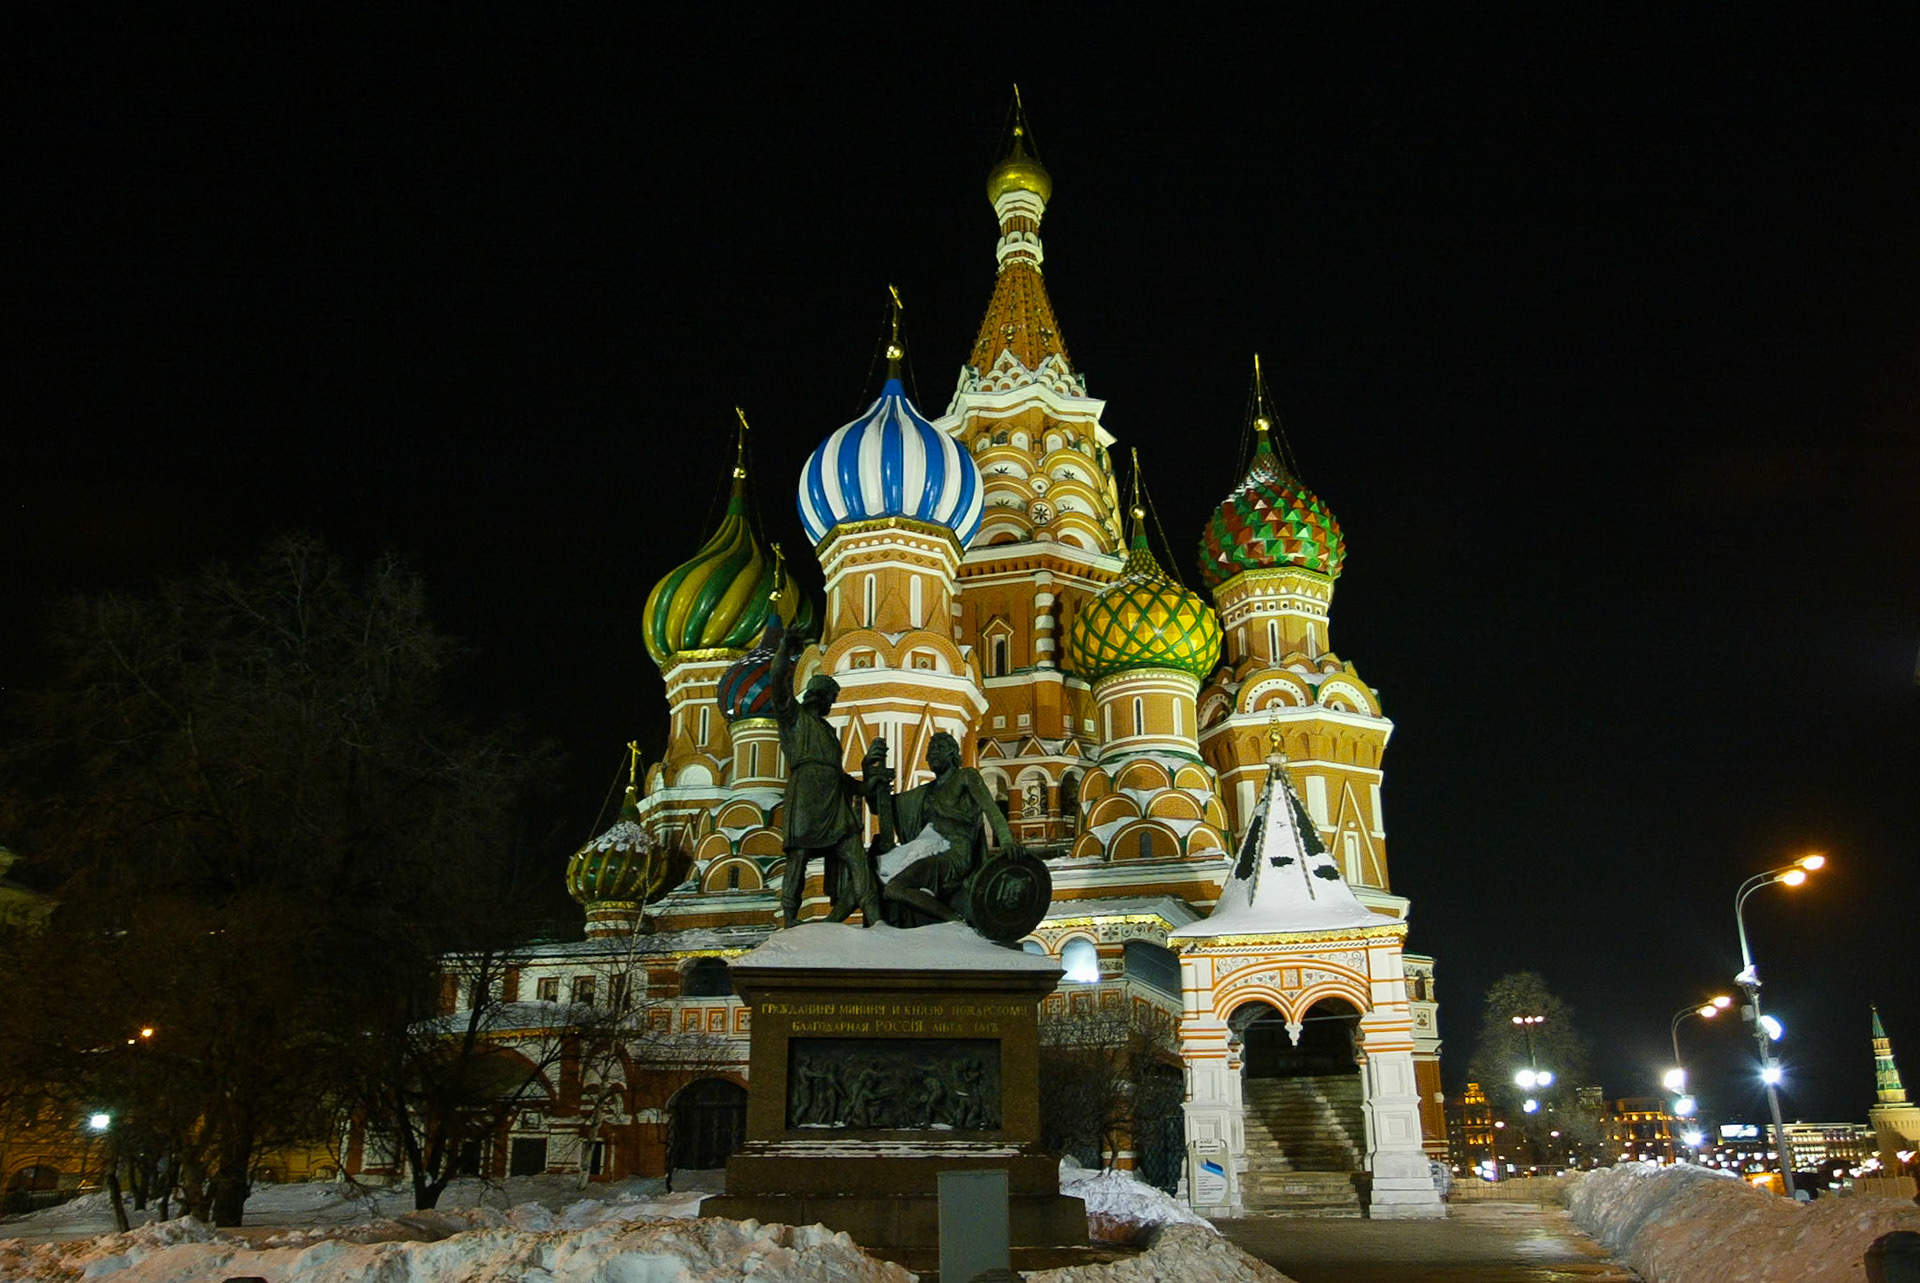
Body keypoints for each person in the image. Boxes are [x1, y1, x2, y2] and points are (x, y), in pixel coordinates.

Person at [768, 630, 882, 928]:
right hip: (806, 794)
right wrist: (783, 649)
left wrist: (865, 786)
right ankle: (790, 919)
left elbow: (839, 776)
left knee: (856, 854)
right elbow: (777, 684)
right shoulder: (793, 717)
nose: (832, 704)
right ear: (820, 695)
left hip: (833, 798)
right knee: (799, 858)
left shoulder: (829, 732)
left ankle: (875, 916)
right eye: (831, 698)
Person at [869, 730, 1020, 926]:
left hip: (955, 854)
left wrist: (1007, 841)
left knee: (894, 888)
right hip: (926, 851)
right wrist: (874, 776)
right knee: (876, 875)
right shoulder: (926, 792)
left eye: (939, 748)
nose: (933, 753)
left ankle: (954, 921)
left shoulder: (966, 776)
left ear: (953, 754)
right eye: (930, 750)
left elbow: (990, 809)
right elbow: (882, 807)